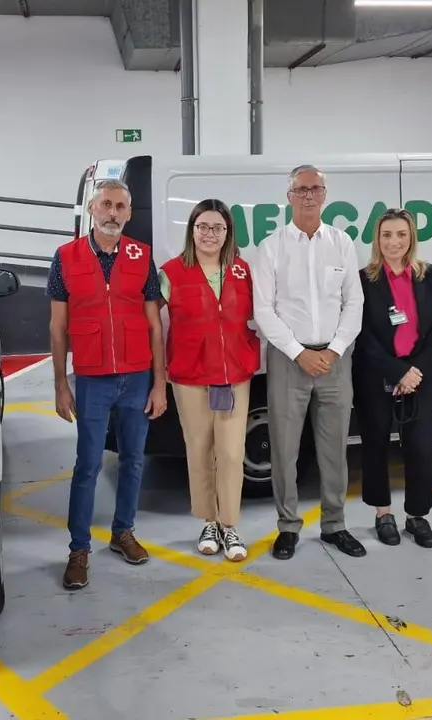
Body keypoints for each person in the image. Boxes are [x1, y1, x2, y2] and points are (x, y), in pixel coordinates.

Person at [47, 178, 168, 590]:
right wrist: (61, 383)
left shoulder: (142, 256)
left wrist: (159, 383)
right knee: (88, 465)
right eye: (106, 205)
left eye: (120, 206)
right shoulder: (66, 257)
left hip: (136, 377)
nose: (113, 213)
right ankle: (78, 549)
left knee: (134, 460)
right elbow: (58, 326)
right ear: (93, 210)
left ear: (129, 213)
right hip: (92, 380)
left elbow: (154, 325)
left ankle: (123, 533)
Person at [252, 165, 366, 561]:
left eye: (315, 188)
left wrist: (333, 350)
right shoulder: (272, 246)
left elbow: (355, 302)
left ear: (325, 194)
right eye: (301, 189)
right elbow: (263, 309)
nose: (308, 195)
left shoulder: (342, 242)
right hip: (288, 359)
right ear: (289, 197)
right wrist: (299, 352)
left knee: (334, 446)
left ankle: (334, 524)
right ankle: (287, 526)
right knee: (284, 449)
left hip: (336, 358)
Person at [159, 199, 260, 562]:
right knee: (199, 451)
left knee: (232, 453)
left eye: (218, 228)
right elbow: (150, 320)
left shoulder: (242, 270)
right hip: (189, 377)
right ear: (192, 230)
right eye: (202, 226)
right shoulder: (170, 272)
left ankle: (230, 525)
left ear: (228, 233)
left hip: (234, 375)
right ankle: (209, 521)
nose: (210, 234)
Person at [351, 208, 432, 548]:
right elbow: (361, 333)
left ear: (411, 238)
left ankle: (417, 516)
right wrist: (396, 371)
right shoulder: (363, 279)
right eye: (387, 235)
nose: (394, 242)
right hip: (376, 376)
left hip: (421, 376)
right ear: (377, 239)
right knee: (375, 445)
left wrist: (413, 371)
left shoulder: (430, 275)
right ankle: (383, 513)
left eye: (401, 235)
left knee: (421, 448)